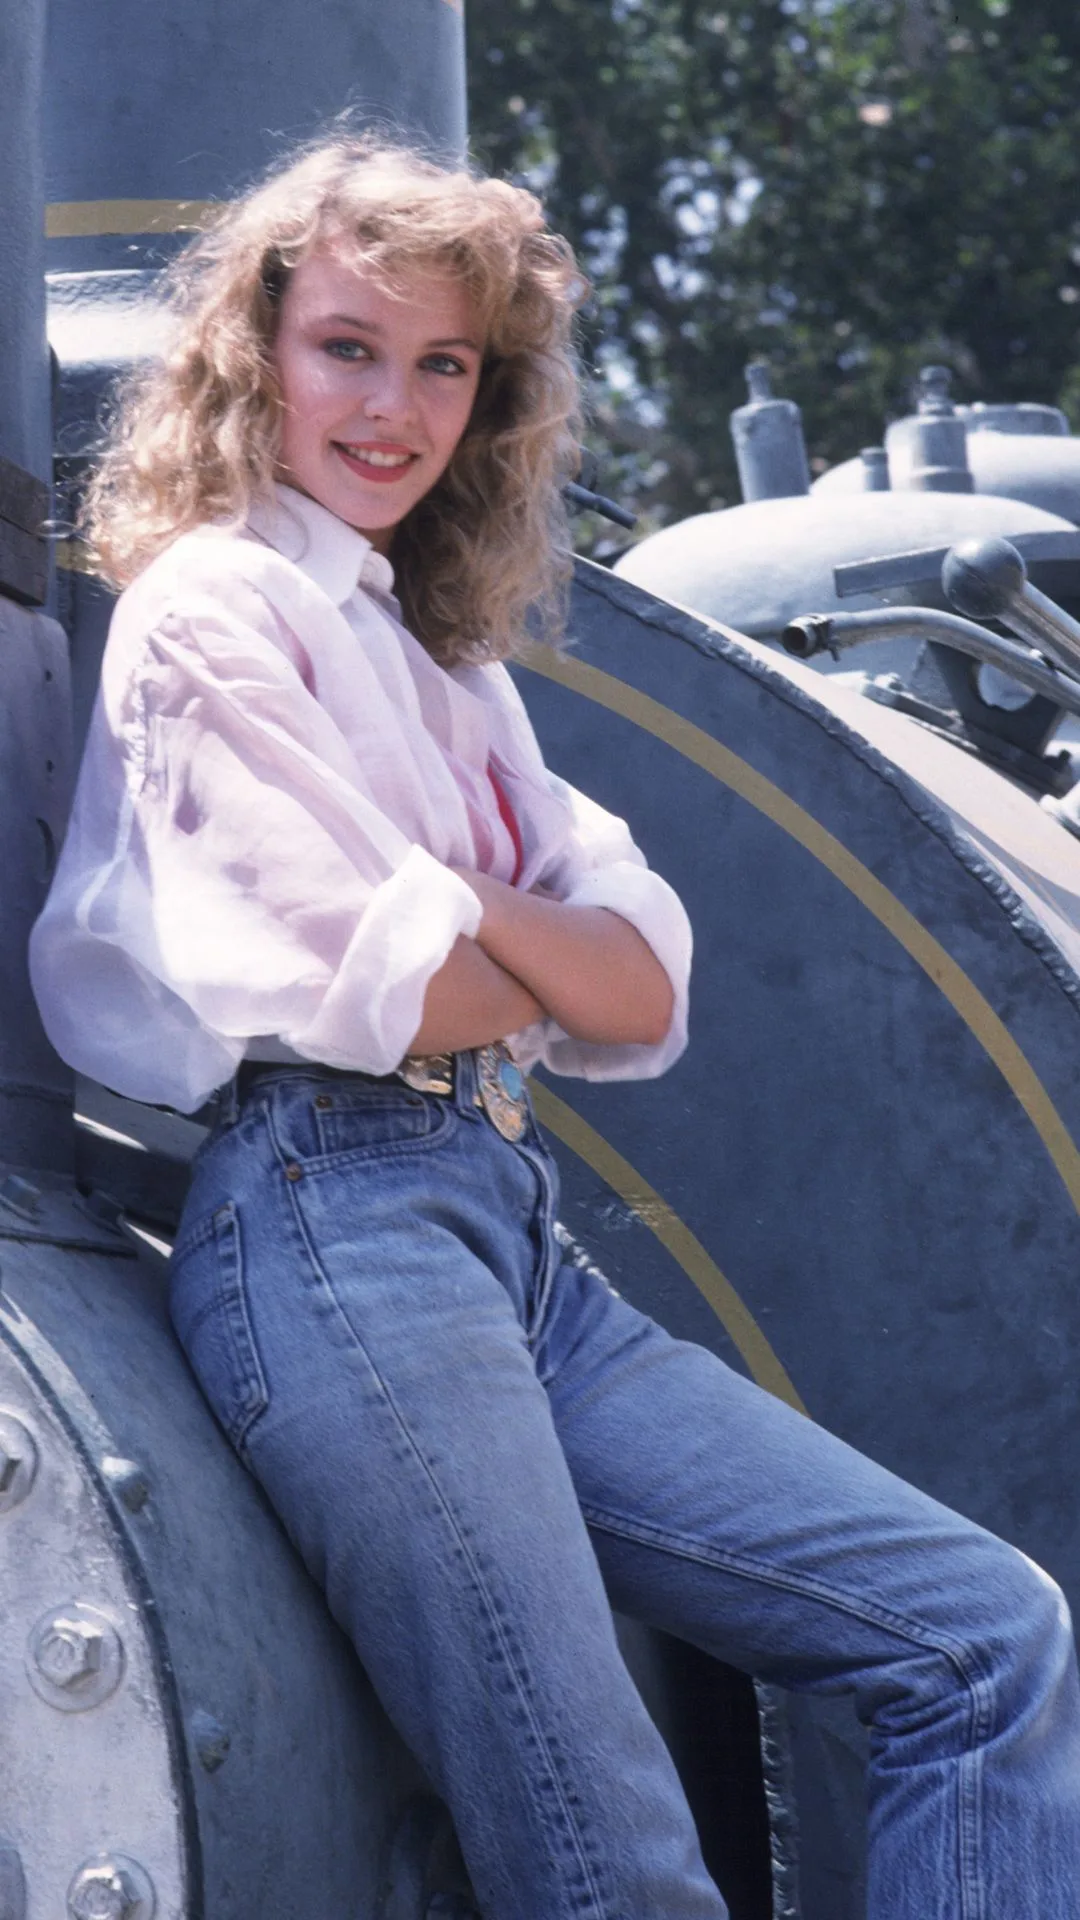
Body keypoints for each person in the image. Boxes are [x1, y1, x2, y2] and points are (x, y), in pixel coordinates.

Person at [29, 136, 1080, 1919]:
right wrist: (516, 943)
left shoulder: (449, 669)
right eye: (350, 347)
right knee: (612, 1872)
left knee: (983, 1638)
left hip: (506, 1236)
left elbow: (647, 984)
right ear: (255, 354)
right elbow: (417, 987)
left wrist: (468, 923)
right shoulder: (215, 608)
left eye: (444, 365)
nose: (394, 407)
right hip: (336, 1233)